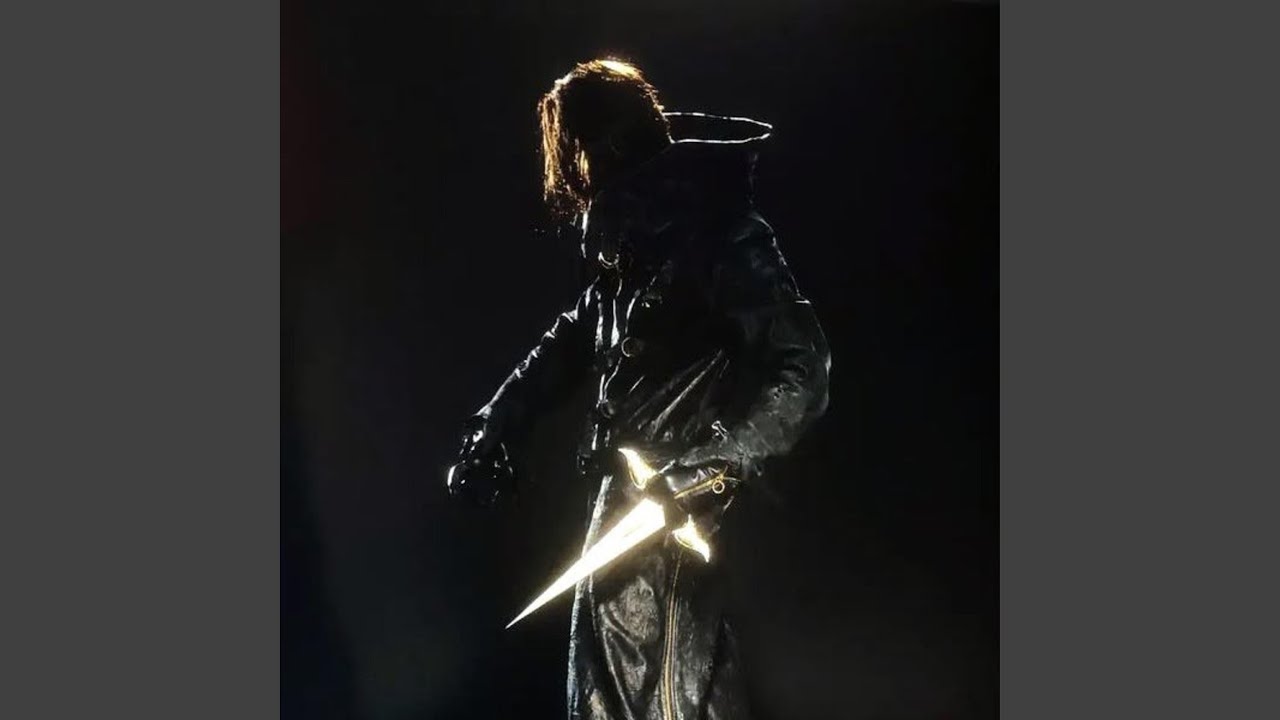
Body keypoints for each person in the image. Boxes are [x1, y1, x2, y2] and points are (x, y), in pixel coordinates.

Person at [446, 58, 830, 720]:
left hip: (674, 518)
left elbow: (803, 367)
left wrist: (713, 467)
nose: (571, 173)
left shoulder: (720, 233)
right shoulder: (636, 249)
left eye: (574, 149)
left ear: (604, 145)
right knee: (630, 694)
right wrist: (497, 421)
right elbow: (572, 337)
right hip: (632, 508)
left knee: (661, 694)